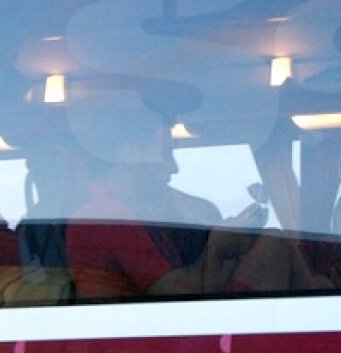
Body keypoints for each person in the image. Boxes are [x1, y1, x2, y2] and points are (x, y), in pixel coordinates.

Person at [64, 121, 320, 299]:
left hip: (157, 335)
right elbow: (181, 298)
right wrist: (218, 243)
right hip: (142, 346)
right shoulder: (107, 214)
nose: (174, 169)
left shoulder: (131, 209)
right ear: (129, 152)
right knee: (273, 246)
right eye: (166, 154)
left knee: (272, 243)